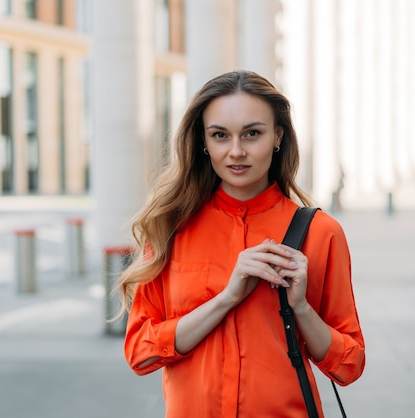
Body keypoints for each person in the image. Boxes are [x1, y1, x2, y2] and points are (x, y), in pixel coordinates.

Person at [117, 70, 365, 417]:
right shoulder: (171, 228)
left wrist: (302, 309)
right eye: (220, 135)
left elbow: (349, 365)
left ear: (278, 135)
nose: (236, 152)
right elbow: (141, 353)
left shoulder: (320, 233)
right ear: (203, 142)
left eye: (252, 134)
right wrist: (227, 298)